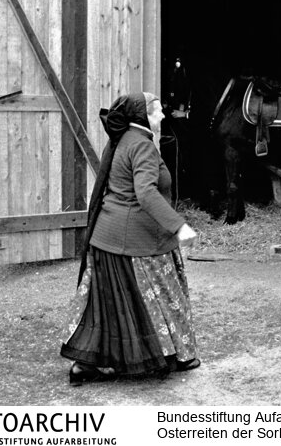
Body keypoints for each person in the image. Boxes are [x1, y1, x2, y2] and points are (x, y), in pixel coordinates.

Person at [60, 92, 200, 384]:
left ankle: (87, 365)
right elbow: (146, 192)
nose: (162, 115)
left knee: (111, 307)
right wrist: (178, 226)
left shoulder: (124, 139)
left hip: (107, 239)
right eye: (157, 110)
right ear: (142, 117)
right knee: (161, 297)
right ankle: (174, 356)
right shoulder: (142, 146)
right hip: (135, 242)